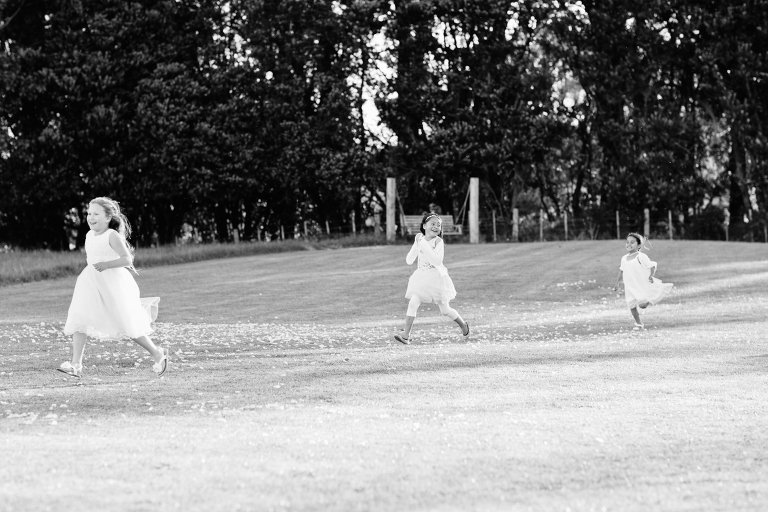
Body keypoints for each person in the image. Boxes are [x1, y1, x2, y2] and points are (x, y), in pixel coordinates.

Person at [58, 197, 167, 378]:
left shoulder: (112, 235)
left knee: (126, 323)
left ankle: (157, 353)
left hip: (111, 283)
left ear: (108, 217)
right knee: (80, 317)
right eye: (89, 213)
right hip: (89, 282)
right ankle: (76, 364)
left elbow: (127, 260)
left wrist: (107, 264)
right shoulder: (88, 235)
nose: (91, 217)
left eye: (96, 214)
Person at [394, 213, 469, 344]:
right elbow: (409, 260)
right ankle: (406, 336)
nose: (436, 227)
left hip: (436, 278)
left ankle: (463, 325)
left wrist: (423, 244)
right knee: (413, 303)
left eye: (438, 225)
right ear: (424, 226)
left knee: (445, 310)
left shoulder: (439, 242)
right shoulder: (420, 239)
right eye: (432, 224)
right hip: (421, 277)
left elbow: (437, 261)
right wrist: (417, 243)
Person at [612, 232, 674, 330]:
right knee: (631, 305)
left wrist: (651, 275)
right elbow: (621, 271)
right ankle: (639, 324)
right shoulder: (624, 258)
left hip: (640, 284)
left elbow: (652, 266)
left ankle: (648, 296)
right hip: (629, 286)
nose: (629, 244)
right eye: (627, 242)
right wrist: (617, 283)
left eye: (632, 242)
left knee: (643, 305)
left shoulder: (641, 256)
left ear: (639, 245)